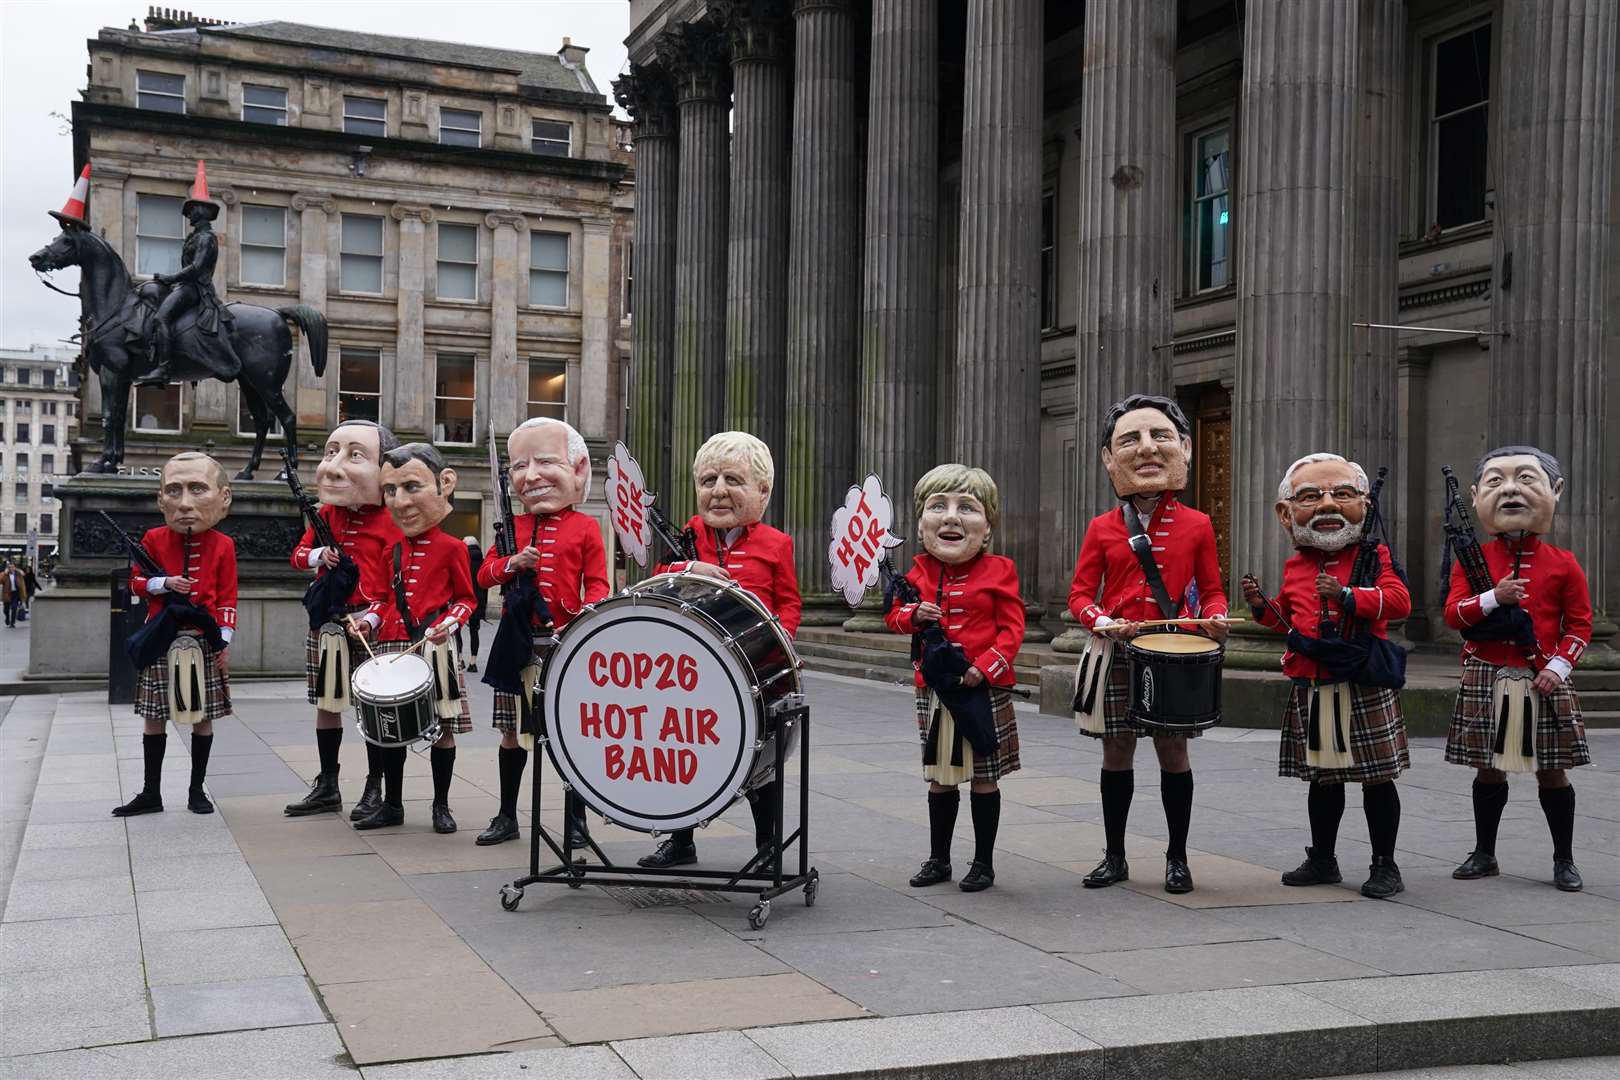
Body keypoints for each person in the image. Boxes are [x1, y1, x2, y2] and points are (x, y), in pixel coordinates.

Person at [1067, 394, 1228, 894]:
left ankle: (1177, 858)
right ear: (1110, 457)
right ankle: (1114, 857)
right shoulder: (1102, 527)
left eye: (1159, 437)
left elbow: (1213, 589)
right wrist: (1101, 619)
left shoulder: (1198, 524)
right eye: (1130, 440)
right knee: (1116, 753)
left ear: (1182, 447)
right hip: (1117, 651)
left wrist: (1215, 617)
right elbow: (1079, 595)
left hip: (1170, 652)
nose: (1146, 450)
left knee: (1173, 753)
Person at [1242, 453, 1409, 899]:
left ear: (1365, 504)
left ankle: (1385, 865)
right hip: (1313, 681)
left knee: (1377, 777)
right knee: (1323, 778)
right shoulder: (1297, 563)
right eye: (1311, 496)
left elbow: (1398, 602)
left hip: (1362, 680)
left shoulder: (1375, 555)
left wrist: (1349, 595)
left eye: (1342, 494)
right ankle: (1323, 858)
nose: (1327, 505)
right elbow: (1290, 619)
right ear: (1287, 513)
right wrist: (1261, 606)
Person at [638, 431, 802, 869]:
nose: (719, 491)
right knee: (684, 752)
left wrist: (781, 641)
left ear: (762, 491)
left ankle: (768, 846)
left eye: (733, 479)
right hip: (691, 670)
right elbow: (659, 575)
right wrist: (690, 566)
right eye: (709, 480)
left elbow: (789, 602)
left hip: (754, 668)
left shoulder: (776, 544)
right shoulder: (689, 535)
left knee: (760, 761)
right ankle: (680, 840)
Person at [1443, 446, 1592, 892]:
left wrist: (1559, 667)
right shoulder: (1472, 559)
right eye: (1496, 482)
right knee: (1488, 769)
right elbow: (1454, 615)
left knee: (1553, 770)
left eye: (1526, 480)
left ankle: (1564, 859)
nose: (1510, 492)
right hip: (1488, 672)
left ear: (1554, 491)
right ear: (1475, 495)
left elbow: (1580, 624)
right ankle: (1485, 853)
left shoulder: (1564, 563)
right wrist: (1494, 597)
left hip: (1542, 675)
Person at [884, 465, 1023, 893]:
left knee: (984, 774)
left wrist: (986, 668)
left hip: (984, 688)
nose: (951, 517)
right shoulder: (916, 574)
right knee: (940, 775)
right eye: (937, 506)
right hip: (937, 689)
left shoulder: (1001, 569)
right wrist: (913, 614)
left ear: (988, 526)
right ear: (922, 524)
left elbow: (1012, 629)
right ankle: (938, 859)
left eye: (967, 508)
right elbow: (892, 617)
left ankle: (983, 863)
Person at [475, 417, 610, 846]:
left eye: (545, 462)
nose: (530, 476)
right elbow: (483, 576)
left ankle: (577, 822)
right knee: (510, 733)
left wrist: (589, 617)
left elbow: (600, 584)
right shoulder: (510, 528)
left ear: (577, 470)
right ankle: (506, 815)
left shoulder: (586, 526)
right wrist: (511, 564)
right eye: (520, 466)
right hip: (516, 641)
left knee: (570, 737)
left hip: (563, 643)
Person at [351, 444, 477, 833]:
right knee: (389, 732)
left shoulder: (453, 547)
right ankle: (392, 805)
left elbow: (467, 599)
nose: (399, 501)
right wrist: (368, 621)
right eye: (390, 491)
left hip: (433, 647)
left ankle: (441, 806)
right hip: (391, 645)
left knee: (443, 730)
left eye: (409, 488)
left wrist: (449, 625)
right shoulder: (392, 550)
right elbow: (383, 598)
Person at [284, 420, 404, 819]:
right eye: (331, 452)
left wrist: (372, 617)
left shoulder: (393, 520)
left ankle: (374, 786)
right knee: (326, 702)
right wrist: (321, 556)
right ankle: (328, 783)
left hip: (370, 623)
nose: (335, 465)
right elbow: (298, 556)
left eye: (353, 454)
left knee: (371, 708)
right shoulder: (327, 514)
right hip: (329, 620)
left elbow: (394, 588)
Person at [113, 452, 237, 817]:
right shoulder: (152, 538)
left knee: (202, 716)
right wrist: (164, 582)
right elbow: (135, 584)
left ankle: (197, 791)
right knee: (154, 716)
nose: (184, 504)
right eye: (174, 491)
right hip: (162, 636)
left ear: (222, 497)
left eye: (197, 489)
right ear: (160, 499)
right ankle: (151, 792)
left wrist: (223, 641)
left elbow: (228, 597)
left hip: (203, 638)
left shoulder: (223, 545)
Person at [136, 160, 241, 387]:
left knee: (160, 317)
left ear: (202, 212)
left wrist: (170, 278)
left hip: (195, 289)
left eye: (192, 209)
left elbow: (197, 268)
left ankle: (164, 369)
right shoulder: (195, 236)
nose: (189, 214)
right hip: (186, 286)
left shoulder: (206, 238)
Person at [459, 535, 488, 673]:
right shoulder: (483, 562)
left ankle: (460, 660)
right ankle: (473, 662)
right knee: (474, 632)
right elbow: (485, 585)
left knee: (456, 630)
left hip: (462, 600)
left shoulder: (462, 560)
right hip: (477, 602)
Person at [1, 561, 25, 628]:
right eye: (10, 567)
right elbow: (1, 580)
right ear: (7, 568)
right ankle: (7, 618)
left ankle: (12, 623)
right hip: (7, 594)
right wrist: (4, 573)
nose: (11, 568)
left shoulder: (17, 574)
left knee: (14, 608)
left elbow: (23, 574)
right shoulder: (5, 574)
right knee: (6, 610)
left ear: (14, 567)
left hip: (15, 594)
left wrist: (18, 570)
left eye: (12, 567)